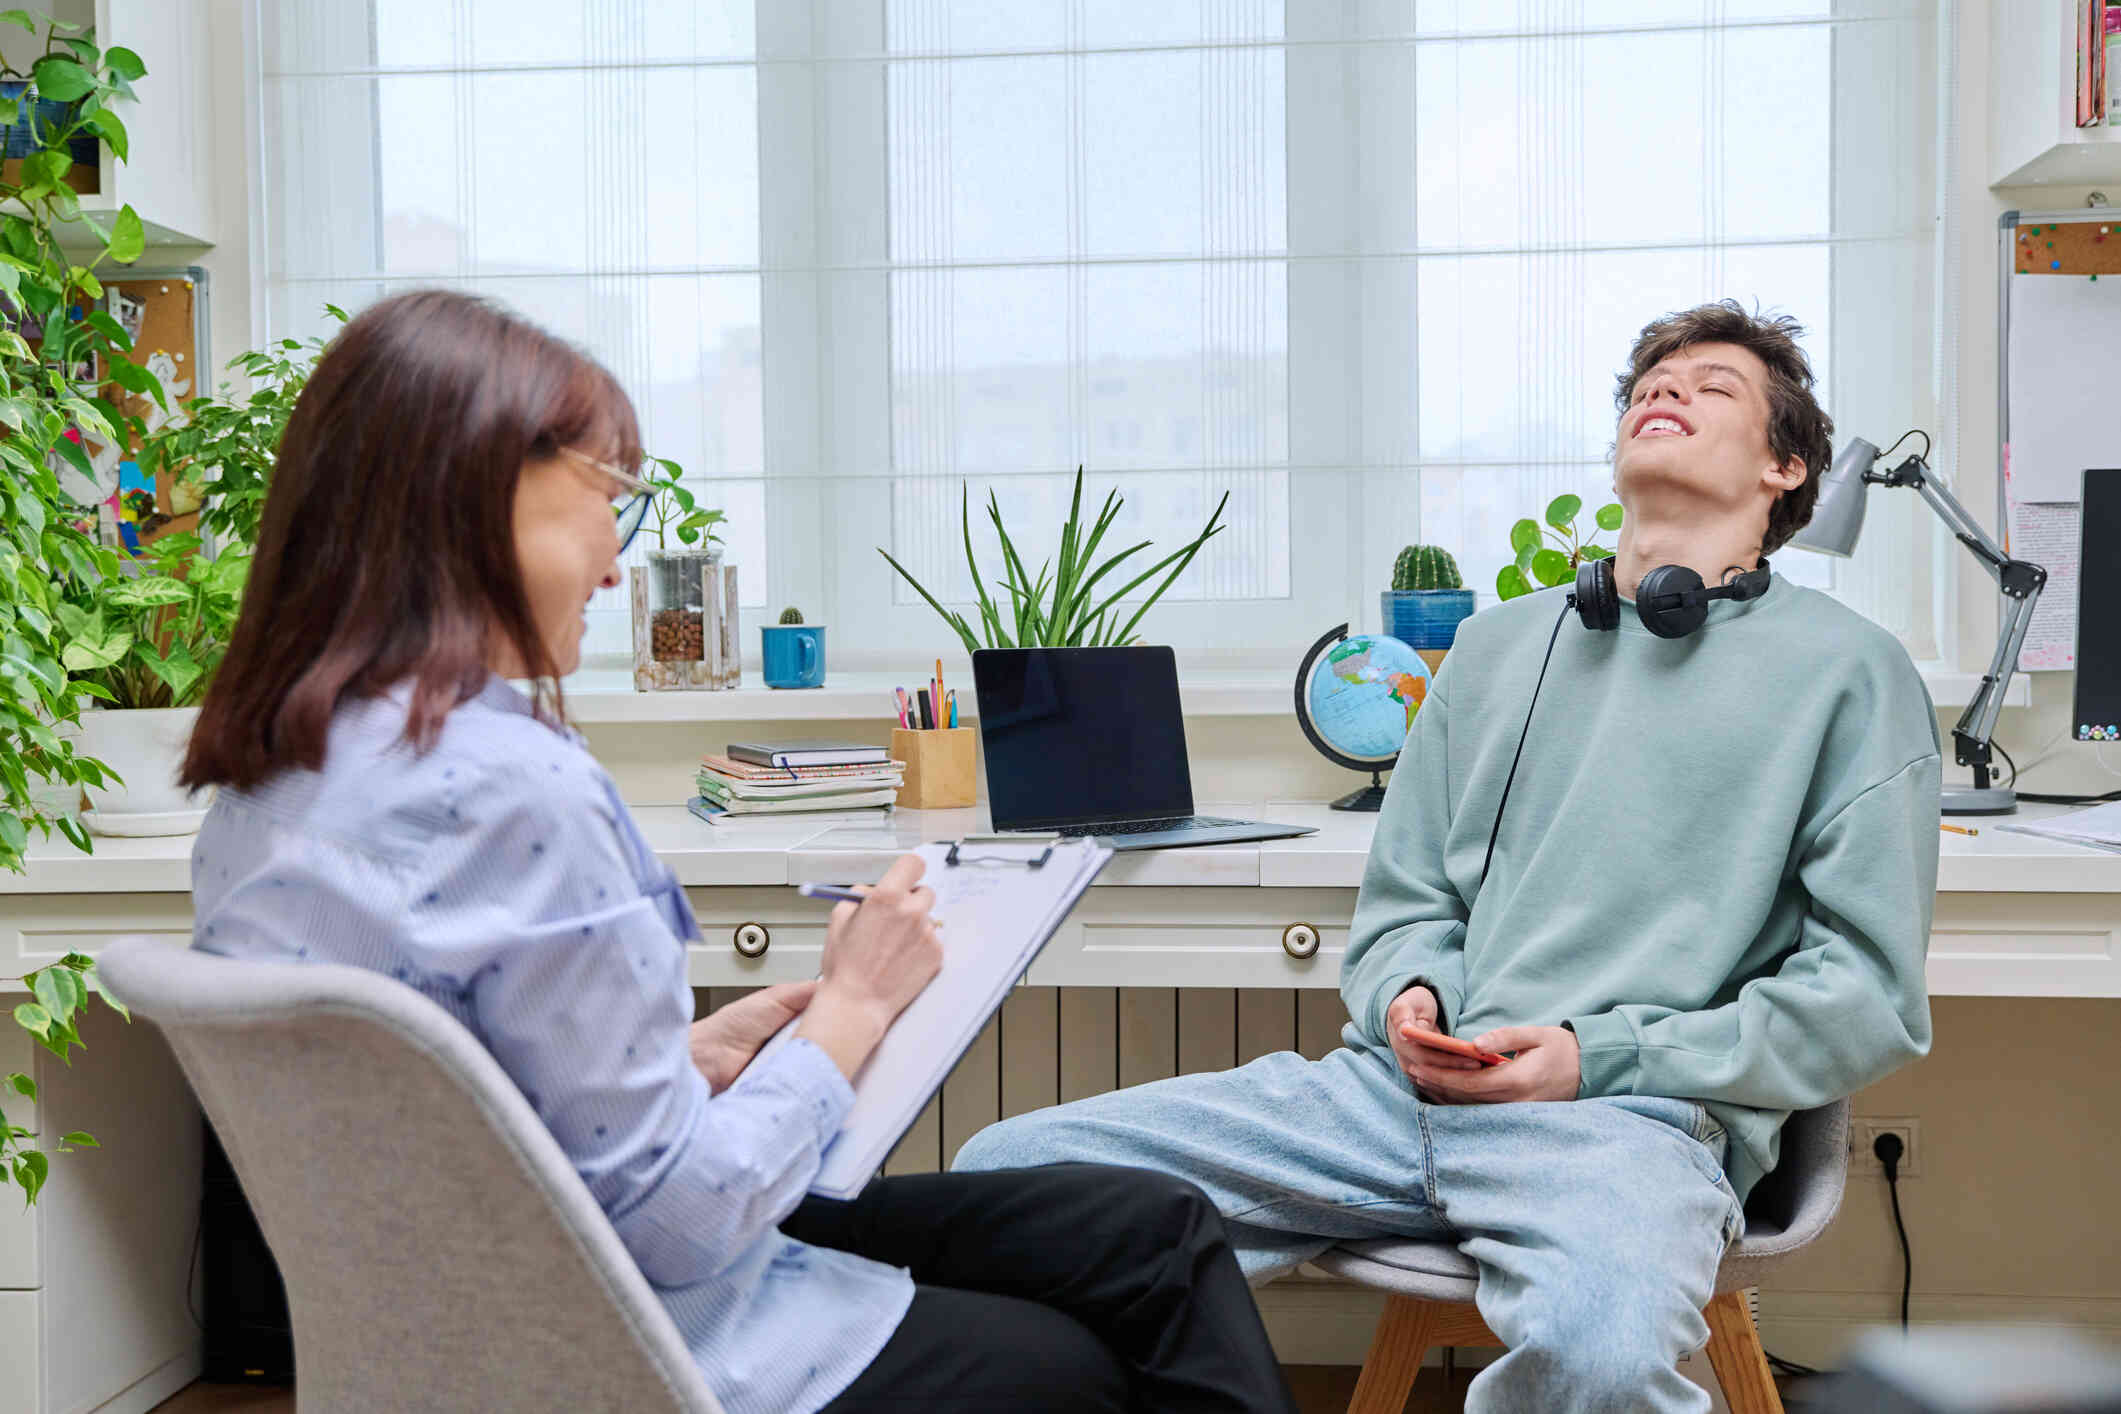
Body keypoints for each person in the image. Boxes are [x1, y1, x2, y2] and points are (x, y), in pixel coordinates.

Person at [179, 289, 1296, 1414]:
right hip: (659, 1335)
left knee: (1152, 1230)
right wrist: (852, 1013)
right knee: (1087, 1358)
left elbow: (455, 1093)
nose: (619, 563)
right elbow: (683, 1220)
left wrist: (694, 1056)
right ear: (470, 494)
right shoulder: (517, 792)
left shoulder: (263, 789)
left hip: (490, 1305)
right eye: (604, 501)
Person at [956, 300, 1941, 1414]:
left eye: (1712, 387)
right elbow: (1405, 903)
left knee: (1603, 1358)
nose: (1665, 390)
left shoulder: (1850, 674)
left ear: (1784, 467)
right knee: (1006, 1182)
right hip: (1389, 1101)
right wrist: (1409, 995)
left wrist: (1593, 1056)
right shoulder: (1495, 647)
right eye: (1650, 383)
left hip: (1629, 1126)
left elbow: (1868, 997)